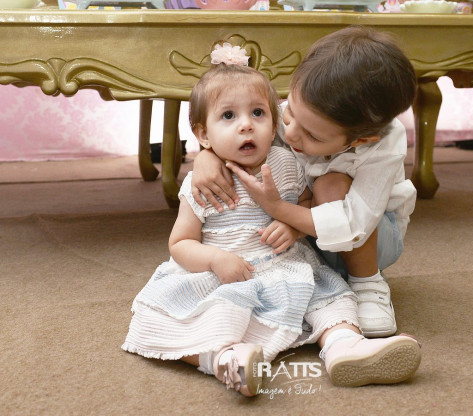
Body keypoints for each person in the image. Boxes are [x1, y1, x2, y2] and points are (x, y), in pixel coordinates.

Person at [122, 43, 421, 398]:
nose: (248, 125)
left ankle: (346, 340)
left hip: (336, 247)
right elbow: (180, 242)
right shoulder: (204, 182)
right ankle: (225, 360)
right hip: (231, 269)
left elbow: (321, 207)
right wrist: (205, 158)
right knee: (202, 316)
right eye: (229, 116)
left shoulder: (292, 162)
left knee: (329, 300)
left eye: (258, 114)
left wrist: (289, 221)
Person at [190, 26, 418, 339]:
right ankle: (319, 278)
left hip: (370, 239)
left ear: (360, 139)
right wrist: (206, 156)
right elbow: (234, 136)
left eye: (312, 135)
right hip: (302, 241)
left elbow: (354, 223)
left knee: (330, 185)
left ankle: (367, 282)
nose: (292, 134)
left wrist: (277, 208)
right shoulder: (297, 115)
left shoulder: (384, 145)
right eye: (290, 115)